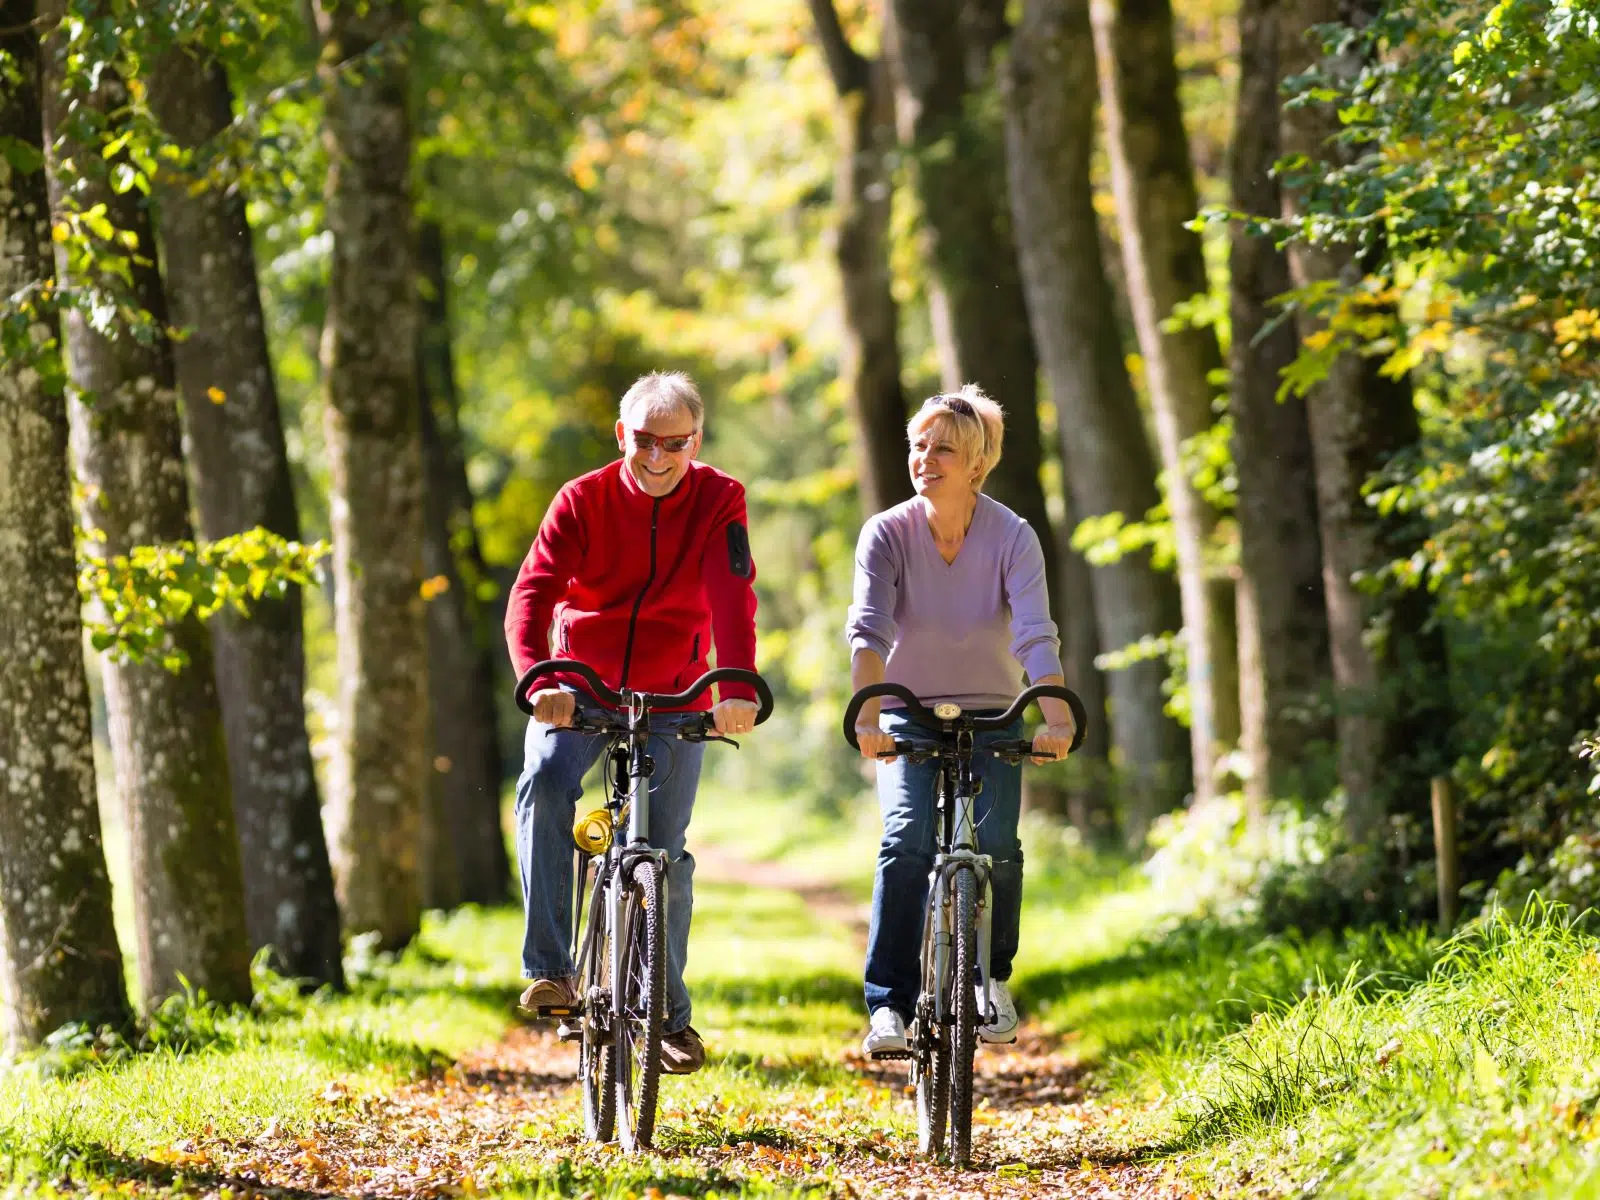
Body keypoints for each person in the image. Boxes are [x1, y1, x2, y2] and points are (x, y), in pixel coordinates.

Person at [505, 371, 761, 1075]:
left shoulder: (718, 498)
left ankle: (668, 1016)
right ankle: (552, 967)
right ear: (623, 435)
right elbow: (533, 593)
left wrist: (735, 685)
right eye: (645, 441)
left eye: (674, 443)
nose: (658, 457)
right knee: (547, 782)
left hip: (676, 690)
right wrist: (540, 678)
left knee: (666, 855)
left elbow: (732, 594)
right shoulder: (581, 500)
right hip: (577, 685)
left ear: (695, 441)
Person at [844, 385, 1076, 1055]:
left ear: (977, 464)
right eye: (918, 446)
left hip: (996, 713)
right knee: (906, 839)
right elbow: (868, 632)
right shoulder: (886, 533)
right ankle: (888, 1005)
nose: (925, 458)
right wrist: (868, 712)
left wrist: (1054, 717)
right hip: (909, 717)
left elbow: (1035, 635)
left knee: (998, 846)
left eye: (942, 448)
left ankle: (992, 979)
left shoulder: (1013, 536)